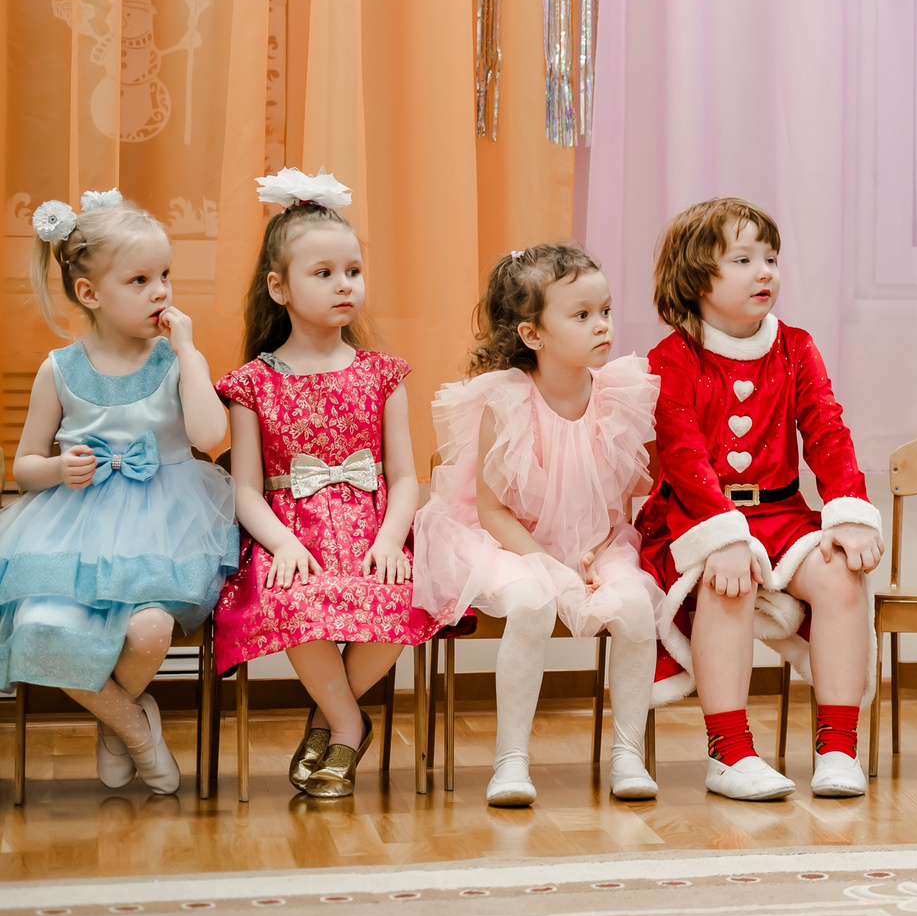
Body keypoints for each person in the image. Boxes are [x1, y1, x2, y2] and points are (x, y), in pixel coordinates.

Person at [636, 198, 879, 802]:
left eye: (770, 258)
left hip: (782, 512)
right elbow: (684, 460)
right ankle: (729, 751)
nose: (765, 271)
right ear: (696, 278)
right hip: (695, 517)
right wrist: (722, 534)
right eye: (742, 260)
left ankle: (839, 745)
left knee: (840, 575)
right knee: (729, 576)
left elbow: (826, 430)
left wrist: (848, 511)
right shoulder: (673, 358)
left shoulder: (795, 347)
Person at [211, 169, 438, 799]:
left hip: (372, 527)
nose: (344, 284)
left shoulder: (383, 373)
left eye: (353, 271)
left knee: (402, 600)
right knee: (297, 602)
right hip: (293, 532)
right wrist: (281, 543)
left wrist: (393, 539)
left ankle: (326, 722)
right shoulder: (252, 383)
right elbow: (246, 490)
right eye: (324, 273)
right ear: (278, 288)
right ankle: (346, 722)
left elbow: (404, 476)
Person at [0, 191, 235, 795]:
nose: (160, 291)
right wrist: (57, 470)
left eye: (165, 276)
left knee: (150, 630)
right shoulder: (61, 368)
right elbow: (24, 467)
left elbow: (212, 437)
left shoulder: (177, 360)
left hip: (165, 525)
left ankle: (113, 726)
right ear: (90, 294)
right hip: (73, 530)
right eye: (139, 279)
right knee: (38, 634)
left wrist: (188, 353)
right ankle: (135, 727)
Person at [414, 244, 663, 807]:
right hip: (503, 539)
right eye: (581, 316)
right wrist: (548, 564)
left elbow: (619, 498)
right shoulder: (506, 402)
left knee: (633, 607)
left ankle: (627, 753)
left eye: (604, 310)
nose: (602, 325)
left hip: (593, 542)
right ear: (533, 335)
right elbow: (494, 510)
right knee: (531, 601)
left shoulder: (618, 394)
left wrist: (590, 556)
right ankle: (511, 761)